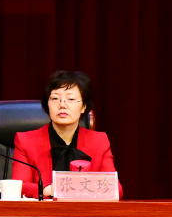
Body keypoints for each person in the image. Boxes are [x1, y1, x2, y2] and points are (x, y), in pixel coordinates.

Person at [11, 70, 122, 199]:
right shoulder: (26, 141)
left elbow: (115, 190)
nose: (62, 105)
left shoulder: (99, 141)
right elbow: (18, 187)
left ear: (84, 106)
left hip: (83, 210)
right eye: (55, 98)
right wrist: (49, 189)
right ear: (47, 104)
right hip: (43, 210)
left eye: (71, 99)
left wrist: (75, 188)